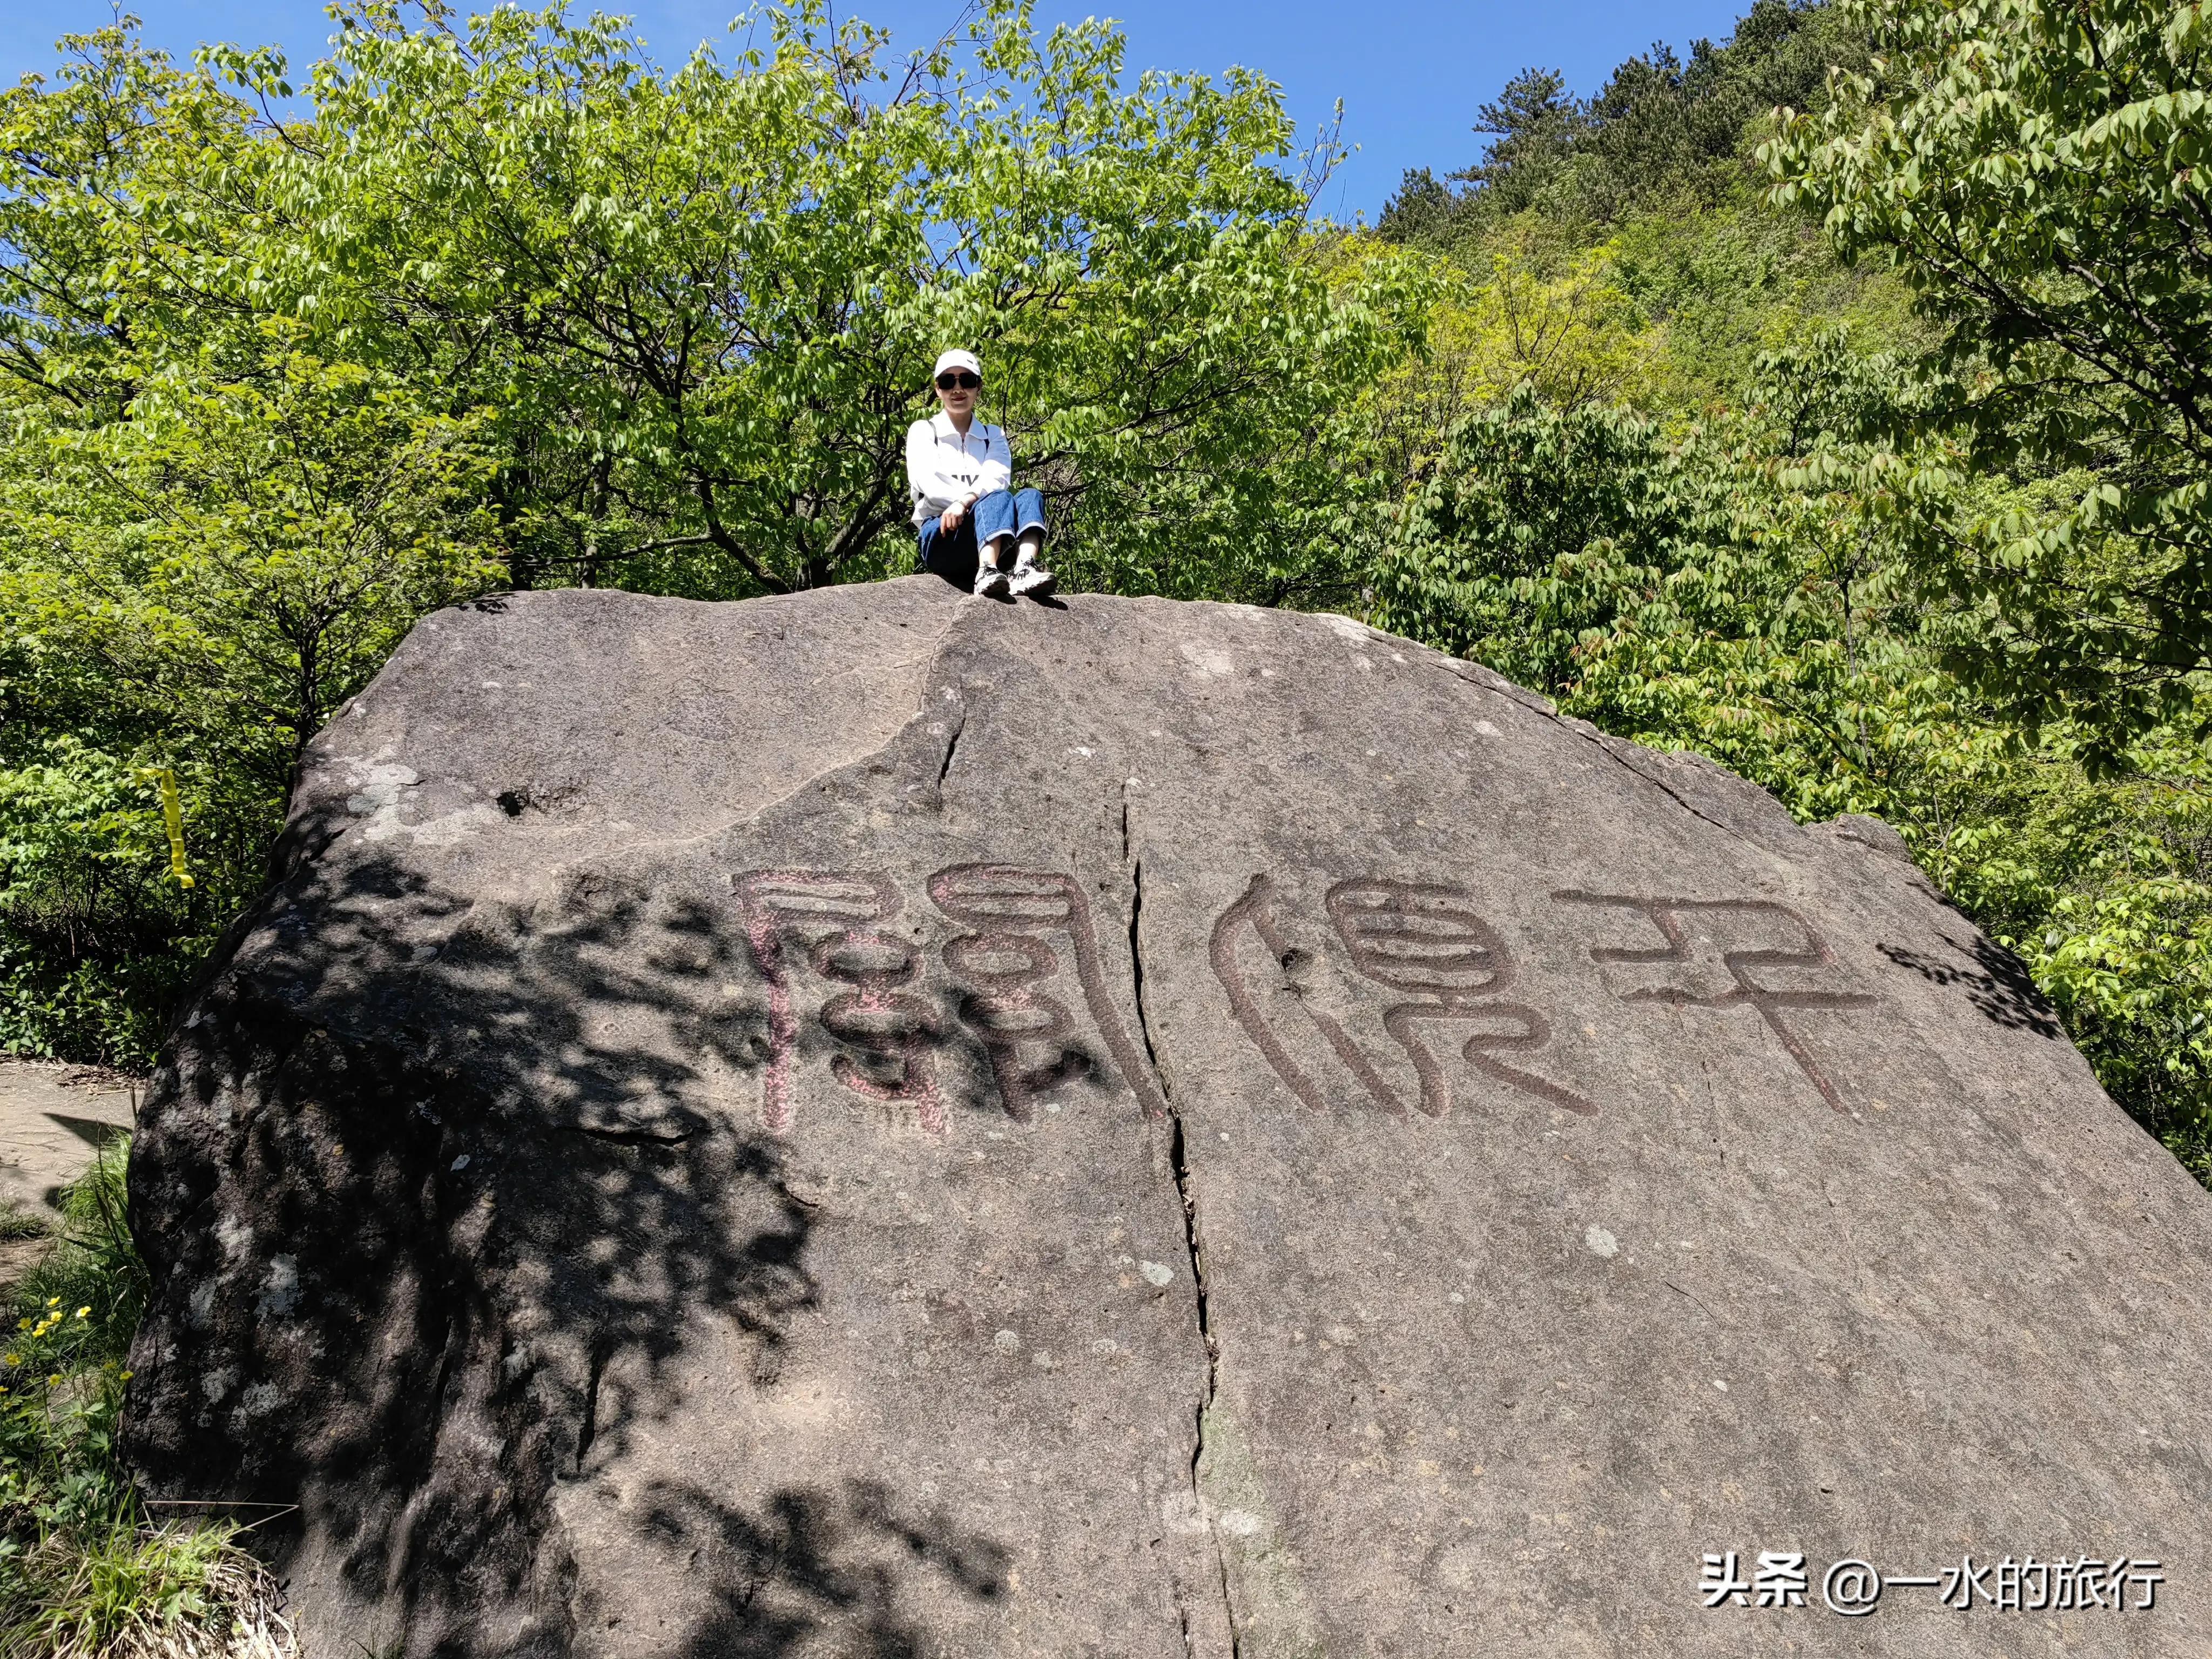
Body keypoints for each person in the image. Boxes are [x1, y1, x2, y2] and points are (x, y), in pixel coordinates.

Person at [906, 349, 1056, 599]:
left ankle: (1024, 568)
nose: (957, 389)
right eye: (948, 381)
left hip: (997, 533)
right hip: (942, 534)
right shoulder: (924, 430)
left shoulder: (993, 435)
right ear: (937, 389)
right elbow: (929, 481)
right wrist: (967, 503)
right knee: (997, 498)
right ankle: (986, 570)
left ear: (979, 387)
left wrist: (964, 502)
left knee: (1029, 495)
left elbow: (997, 478)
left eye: (966, 380)